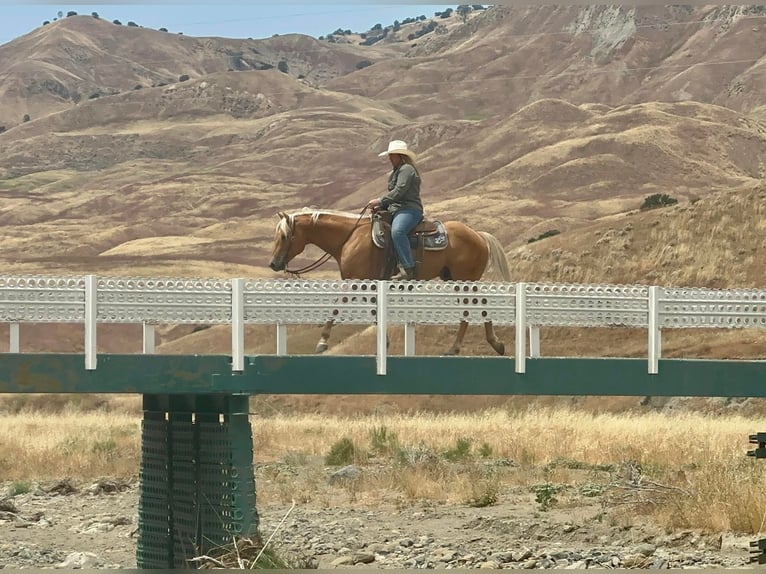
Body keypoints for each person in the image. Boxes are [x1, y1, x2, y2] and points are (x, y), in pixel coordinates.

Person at [367, 140, 423, 280]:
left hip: (409, 209)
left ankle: (408, 269)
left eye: (392, 155)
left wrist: (380, 201)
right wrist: (382, 207)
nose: (390, 158)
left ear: (400, 156)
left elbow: (400, 191)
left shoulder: (407, 169)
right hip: (397, 209)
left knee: (398, 232)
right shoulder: (396, 171)